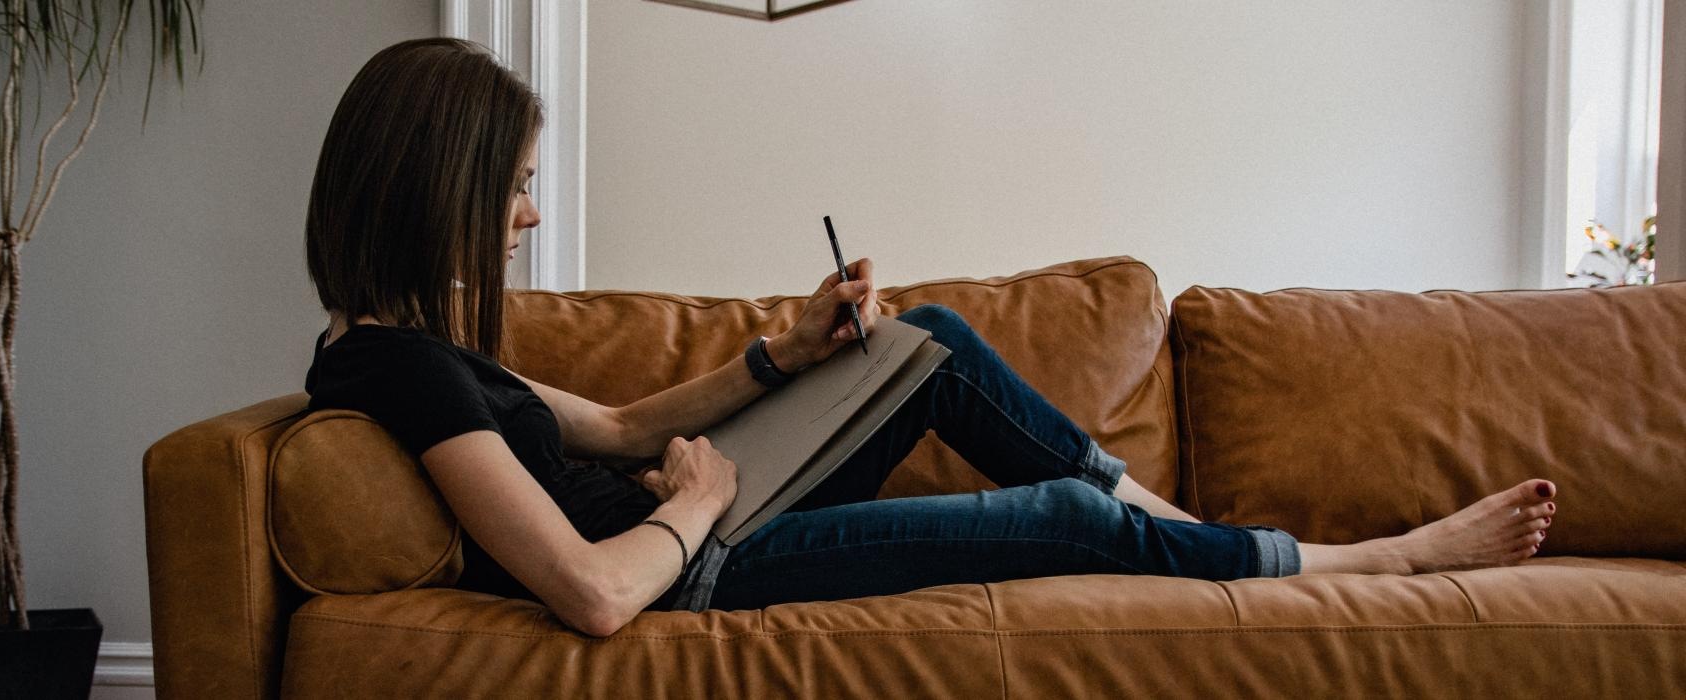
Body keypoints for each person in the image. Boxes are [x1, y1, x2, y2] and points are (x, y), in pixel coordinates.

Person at [302, 38, 1558, 638]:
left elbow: (621, 427)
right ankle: (1362, 562)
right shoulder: (391, 369)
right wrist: (694, 505)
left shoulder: (425, 345)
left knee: (930, 342)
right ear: (438, 182)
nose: (527, 212)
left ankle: (1188, 536)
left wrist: (788, 353)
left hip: (697, 518)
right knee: (1064, 523)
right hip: (692, 561)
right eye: (514, 184)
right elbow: (587, 590)